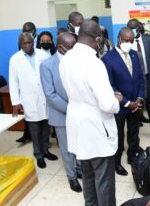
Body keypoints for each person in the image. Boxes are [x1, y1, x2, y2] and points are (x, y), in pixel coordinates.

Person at [59, 20, 122, 206]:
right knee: (104, 179)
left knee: (87, 174)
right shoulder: (94, 63)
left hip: (78, 125)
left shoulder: (66, 59)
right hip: (95, 127)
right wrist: (115, 99)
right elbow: (107, 104)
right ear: (98, 38)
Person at [40, 32, 82, 192]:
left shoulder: (76, 61)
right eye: (72, 47)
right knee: (67, 148)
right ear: (61, 47)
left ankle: (79, 170)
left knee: (78, 145)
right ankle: (72, 177)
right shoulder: (47, 65)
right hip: (61, 114)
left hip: (79, 113)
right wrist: (70, 109)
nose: (75, 49)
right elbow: (50, 95)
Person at [9, 32, 58, 168]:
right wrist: (15, 102)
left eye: (30, 42)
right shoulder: (15, 59)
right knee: (34, 130)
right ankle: (39, 155)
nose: (28, 45)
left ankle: (46, 150)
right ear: (20, 44)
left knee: (46, 127)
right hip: (29, 99)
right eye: (25, 43)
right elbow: (13, 82)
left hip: (45, 97)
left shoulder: (42, 54)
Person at [102, 27, 144, 176]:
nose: (129, 44)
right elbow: (109, 85)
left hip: (135, 105)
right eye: (127, 41)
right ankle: (117, 162)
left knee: (134, 133)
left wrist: (139, 98)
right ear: (119, 39)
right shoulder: (108, 58)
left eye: (132, 41)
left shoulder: (134, 55)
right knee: (118, 136)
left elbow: (140, 79)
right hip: (119, 106)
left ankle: (132, 157)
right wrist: (126, 102)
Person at [127, 18, 150, 138]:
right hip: (134, 80)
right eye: (129, 28)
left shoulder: (148, 40)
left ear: (139, 28)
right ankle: (134, 134)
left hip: (149, 77)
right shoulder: (126, 42)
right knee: (135, 107)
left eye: (134, 28)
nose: (132, 31)